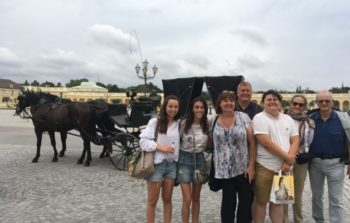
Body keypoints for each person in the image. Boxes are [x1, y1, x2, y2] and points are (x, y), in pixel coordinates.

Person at [252, 89, 299, 223]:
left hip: (285, 168)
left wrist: (288, 161)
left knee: (279, 202)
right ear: (263, 103)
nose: (272, 102)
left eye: (275, 99)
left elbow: (295, 139)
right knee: (261, 201)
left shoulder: (288, 118)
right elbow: (266, 142)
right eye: (269, 100)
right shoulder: (259, 118)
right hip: (265, 167)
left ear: (280, 102)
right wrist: (288, 157)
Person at [211, 90, 256, 223]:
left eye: (231, 100)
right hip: (224, 171)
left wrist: (251, 166)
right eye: (225, 100)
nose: (229, 103)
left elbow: (252, 142)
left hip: (243, 169)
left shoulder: (243, 117)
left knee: (245, 204)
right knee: (227, 204)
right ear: (219, 103)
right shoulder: (213, 119)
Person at [308, 91, 350, 223]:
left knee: (336, 199)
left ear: (332, 102)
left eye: (327, 101)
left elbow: (349, 140)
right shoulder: (310, 119)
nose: (324, 103)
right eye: (321, 101)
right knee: (316, 196)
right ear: (316, 103)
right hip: (315, 164)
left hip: (336, 163)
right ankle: (319, 220)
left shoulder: (343, 119)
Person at [139, 95, 181, 223]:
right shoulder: (155, 122)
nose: (173, 109)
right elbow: (143, 142)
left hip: (171, 165)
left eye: (175, 107)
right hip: (157, 165)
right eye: (170, 106)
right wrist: (160, 147)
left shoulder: (179, 123)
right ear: (165, 107)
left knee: (167, 200)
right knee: (152, 201)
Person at [177, 97, 209, 223]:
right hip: (185, 159)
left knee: (196, 197)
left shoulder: (207, 122)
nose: (199, 110)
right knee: (187, 198)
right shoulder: (184, 123)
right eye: (197, 107)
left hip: (200, 160)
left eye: (202, 107)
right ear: (192, 108)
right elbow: (176, 140)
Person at [283, 95, 314, 223]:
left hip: (301, 161)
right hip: (284, 160)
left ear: (304, 107)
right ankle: (283, 220)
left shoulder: (309, 122)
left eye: (301, 105)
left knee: (298, 195)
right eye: (295, 103)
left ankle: (298, 220)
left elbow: (310, 141)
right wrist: (289, 153)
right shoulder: (282, 119)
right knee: (284, 194)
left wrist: (299, 152)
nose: (297, 106)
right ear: (290, 104)